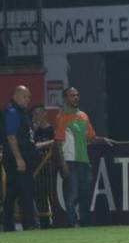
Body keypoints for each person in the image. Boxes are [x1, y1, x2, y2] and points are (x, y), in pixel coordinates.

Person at [55, 87, 115, 227]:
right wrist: (62, 164)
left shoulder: (83, 116)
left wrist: (103, 140)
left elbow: (91, 138)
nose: (75, 98)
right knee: (71, 196)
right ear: (65, 98)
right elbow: (58, 142)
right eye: (72, 95)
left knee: (85, 196)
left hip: (84, 162)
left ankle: (85, 224)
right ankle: (72, 224)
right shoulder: (61, 117)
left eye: (76, 95)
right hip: (70, 162)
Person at [3, 86, 36, 231]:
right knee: (25, 190)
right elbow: (11, 137)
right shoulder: (12, 112)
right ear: (16, 96)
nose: (28, 100)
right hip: (16, 159)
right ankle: (28, 223)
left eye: (29, 97)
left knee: (13, 191)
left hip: (21, 158)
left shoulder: (21, 112)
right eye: (25, 96)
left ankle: (8, 224)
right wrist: (19, 159)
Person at [31, 105, 56, 228]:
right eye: (34, 114)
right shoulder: (34, 131)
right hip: (36, 169)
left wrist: (40, 145)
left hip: (49, 168)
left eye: (38, 113)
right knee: (40, 198)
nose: (36, 117)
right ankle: (44, 224)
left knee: (51, 196)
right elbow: (32, 145)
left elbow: (56, 142)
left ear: (44, 113)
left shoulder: (51, 130)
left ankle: (56, 222)